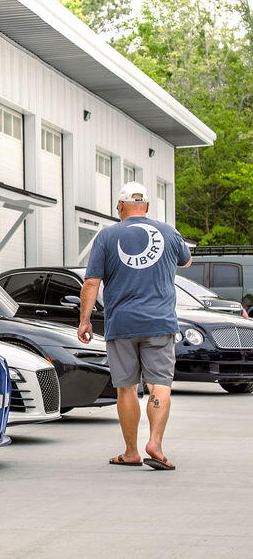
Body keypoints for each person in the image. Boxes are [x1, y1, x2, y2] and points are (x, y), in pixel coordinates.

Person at [78, 182, 191, 470]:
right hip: (160, 322)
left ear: (119, 207)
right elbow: (186, 261)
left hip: (122, 324)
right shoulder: (167, 232)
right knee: (160, 384)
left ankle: (131, 452)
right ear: (148, 207)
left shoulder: (107, 236)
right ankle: (155, 442)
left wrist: (85, 320)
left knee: (126, 388)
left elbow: (92, 282)